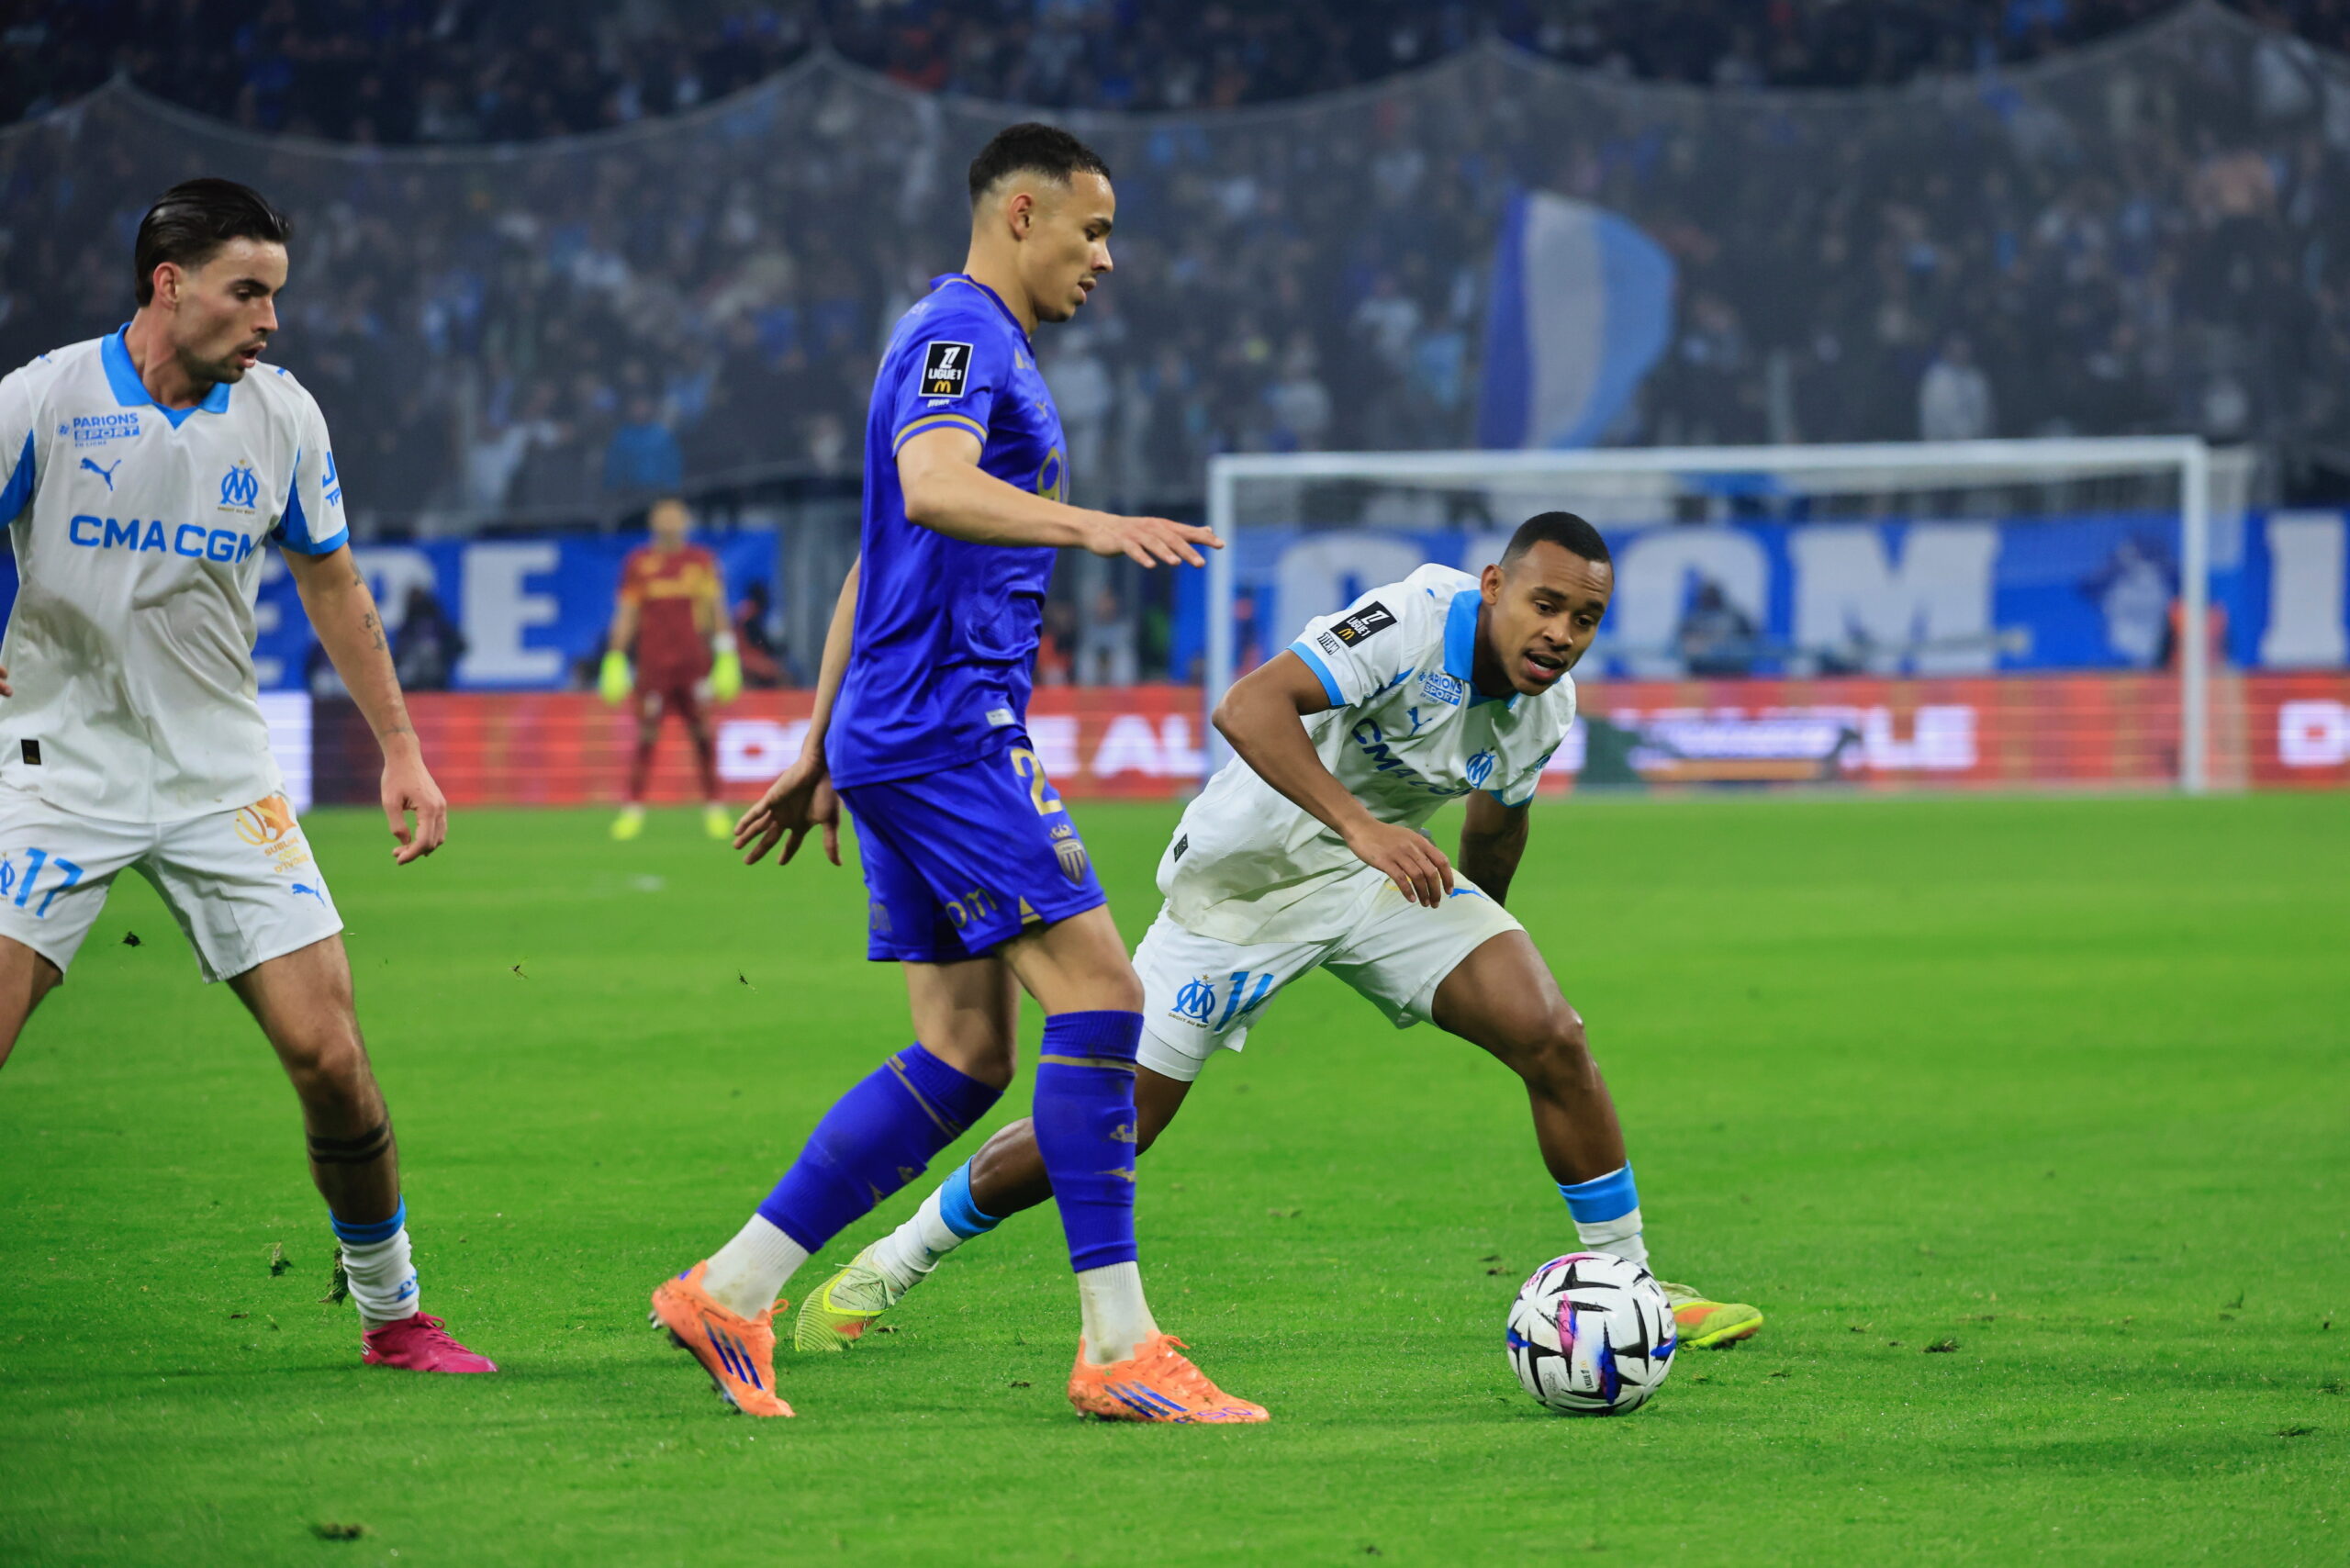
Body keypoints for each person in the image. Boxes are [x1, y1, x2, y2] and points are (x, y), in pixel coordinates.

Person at [800, 514, 1765, 1357]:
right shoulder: (1412, 619)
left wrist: (1476, 944)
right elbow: (1247, 705)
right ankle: (887, 1265)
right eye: (1545, 605)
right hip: (1238, 891)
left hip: (1377, 882)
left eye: (1585, 618)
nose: (1561, 634)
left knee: (1550, 1032)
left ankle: (1632, 1287)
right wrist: (1362, 826)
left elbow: (1494, 823)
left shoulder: (1545, 707)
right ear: (1495, 588)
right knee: (1110, 1125)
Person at [650, 124, 1263, 1423]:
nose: (1108, 257)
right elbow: (929, 491)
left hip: (898, 722)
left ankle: (733, 1286)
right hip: (947, 727)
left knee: (966, 1051)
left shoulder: (981, 348)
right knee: (1104, 1002)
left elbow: (877, 560)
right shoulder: (963, 336)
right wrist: (1096, 524)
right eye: (1092, 230)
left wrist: (820, 742)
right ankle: (1117, 1347)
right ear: (1022, 213)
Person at [0, 178, 491, 1373]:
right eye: (248, 292)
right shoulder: (42, 402)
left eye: (277, 294)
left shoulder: (281, 417)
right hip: (54, 767)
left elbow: (333, 583)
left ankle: (394, 1313)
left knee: (330, 1055)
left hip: (223, 773)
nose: (271, 320)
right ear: (168, 287)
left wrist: (404, 749)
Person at [599, 497, 741, 841]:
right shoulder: (639, 563)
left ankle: (715, 806)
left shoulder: (701, 561)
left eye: (676, 517)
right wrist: (615, 656)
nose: (670, 524)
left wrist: (726, 653)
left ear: (686, 522)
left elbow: (715, 608)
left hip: (694, 665)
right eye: (664, 518)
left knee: (703, 732)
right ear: (653, 523)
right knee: (646, 735)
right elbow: (627, 612)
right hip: (654, 667)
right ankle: (633, 808)